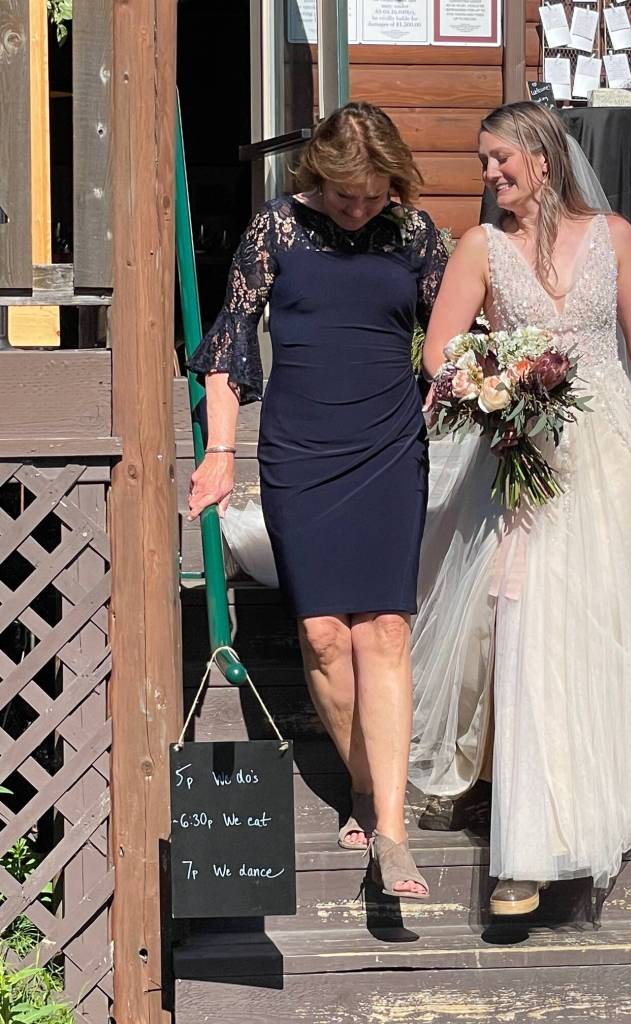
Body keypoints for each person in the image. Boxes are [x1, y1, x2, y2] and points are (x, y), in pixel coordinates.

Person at [413, 101, 631, 915]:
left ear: (543, 159)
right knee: (529, 620)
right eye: (482, 161)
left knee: (600, 612)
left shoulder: (614, 237)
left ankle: (606, 774)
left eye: (501, 159)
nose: (489, 174)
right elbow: (439, 351)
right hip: (522, 455)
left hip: (607, 453)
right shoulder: (481, 248)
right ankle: (529, 845)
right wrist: (492, 379)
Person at [187, 101, 448, 900]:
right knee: (324, 634)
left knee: (386, 627)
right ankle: (364, 784)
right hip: (301, 450)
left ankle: (393, 833)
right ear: (319, 176)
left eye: (373, 195)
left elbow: (457, 338)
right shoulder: (276, 228)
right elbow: (229, 344)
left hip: (388, 447)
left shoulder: (415, 234)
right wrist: (221, 454)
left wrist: (467, 385)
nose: (359, 209)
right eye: (345, 196)